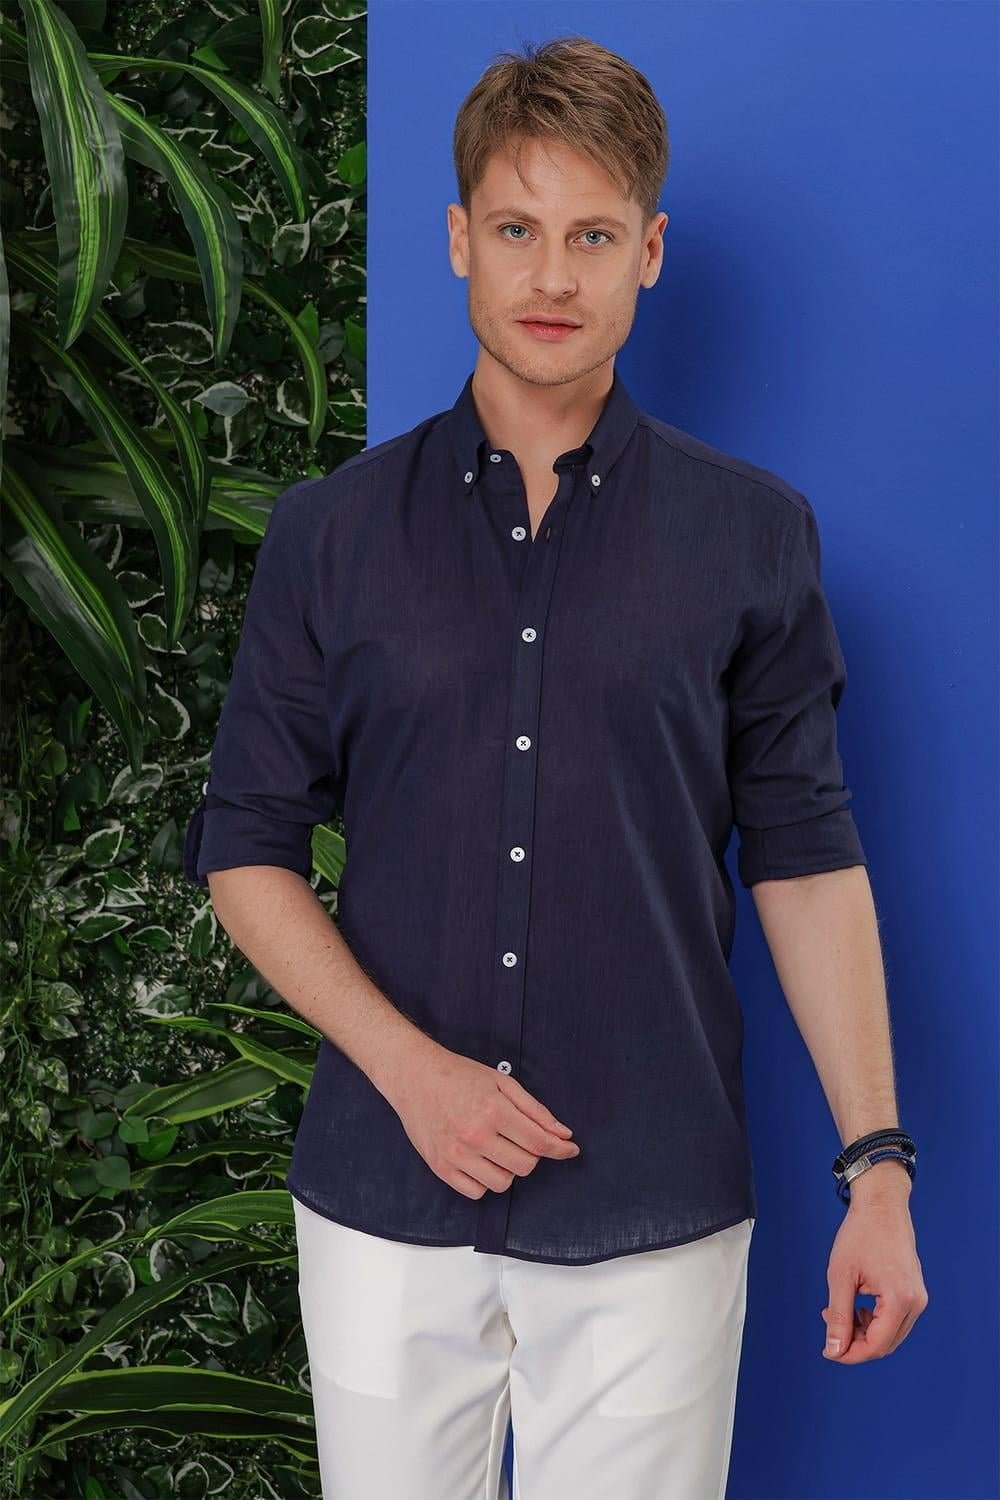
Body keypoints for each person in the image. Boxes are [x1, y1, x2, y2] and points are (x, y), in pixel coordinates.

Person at [183, 33, 928, 1500]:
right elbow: (244, 848)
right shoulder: (330, 534)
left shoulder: (754, 537)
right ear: (460, 239)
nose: (552, 276)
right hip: (384, 1202)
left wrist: (879, 1164)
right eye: (517, 229)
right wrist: (412, 1074)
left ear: (649, 252)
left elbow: (805, 858)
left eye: (593, 236)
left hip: (656, 1205)